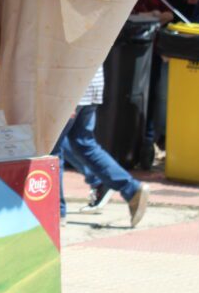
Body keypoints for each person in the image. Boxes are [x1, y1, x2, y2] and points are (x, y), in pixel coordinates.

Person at [54, 66, 150, 225]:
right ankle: (131, 189)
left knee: (52, 149)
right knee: (83, 143)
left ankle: (55, 212)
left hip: (71, 87)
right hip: (91, 84)